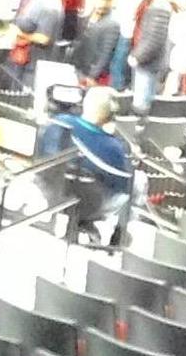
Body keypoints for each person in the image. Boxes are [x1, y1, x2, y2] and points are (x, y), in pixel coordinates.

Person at [37, 86, 134, 244]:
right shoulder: (113, 147)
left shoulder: (59, 122)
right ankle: (119, 234)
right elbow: (122, 187)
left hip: (50, 191)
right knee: (138, 183)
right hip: (91, 205)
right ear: (111, 115)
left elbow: (40, 153)